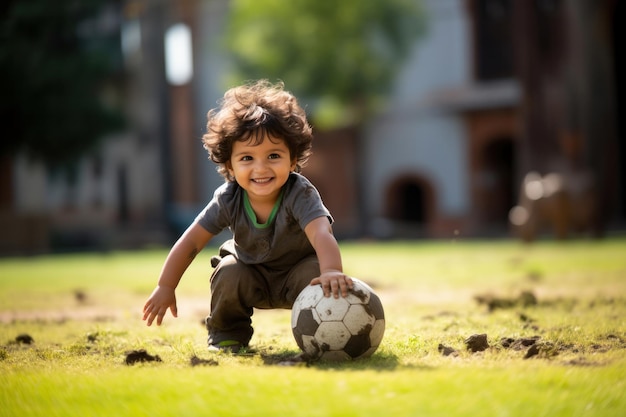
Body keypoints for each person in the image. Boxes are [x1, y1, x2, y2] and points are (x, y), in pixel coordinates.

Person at [142, 80, 353, 352]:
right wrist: (165, 285)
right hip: (249, 274)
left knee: (318, 273)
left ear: (292, 160)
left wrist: (332, 271)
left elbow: (321, 233)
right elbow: (191, 241)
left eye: (273, 155)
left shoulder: (300, 193)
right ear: (229, 164)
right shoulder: (228, 198)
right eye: (247, 158)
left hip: (297, 274)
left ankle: (324, 335)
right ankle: (227, 333)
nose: (260, 168)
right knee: (228, 272)